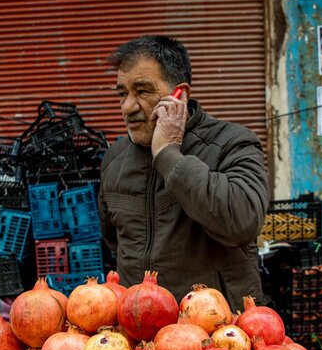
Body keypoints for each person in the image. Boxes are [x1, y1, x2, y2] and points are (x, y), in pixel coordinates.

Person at [98, 35, 269, 309]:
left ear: (179, 95)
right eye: (122, 93)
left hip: (217, 328)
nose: (128, 106)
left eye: (142, 91)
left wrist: (168, 154)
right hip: (142, 330)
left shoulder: (232, 143)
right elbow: (115, 242)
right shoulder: (114, 160)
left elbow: (242, 222)